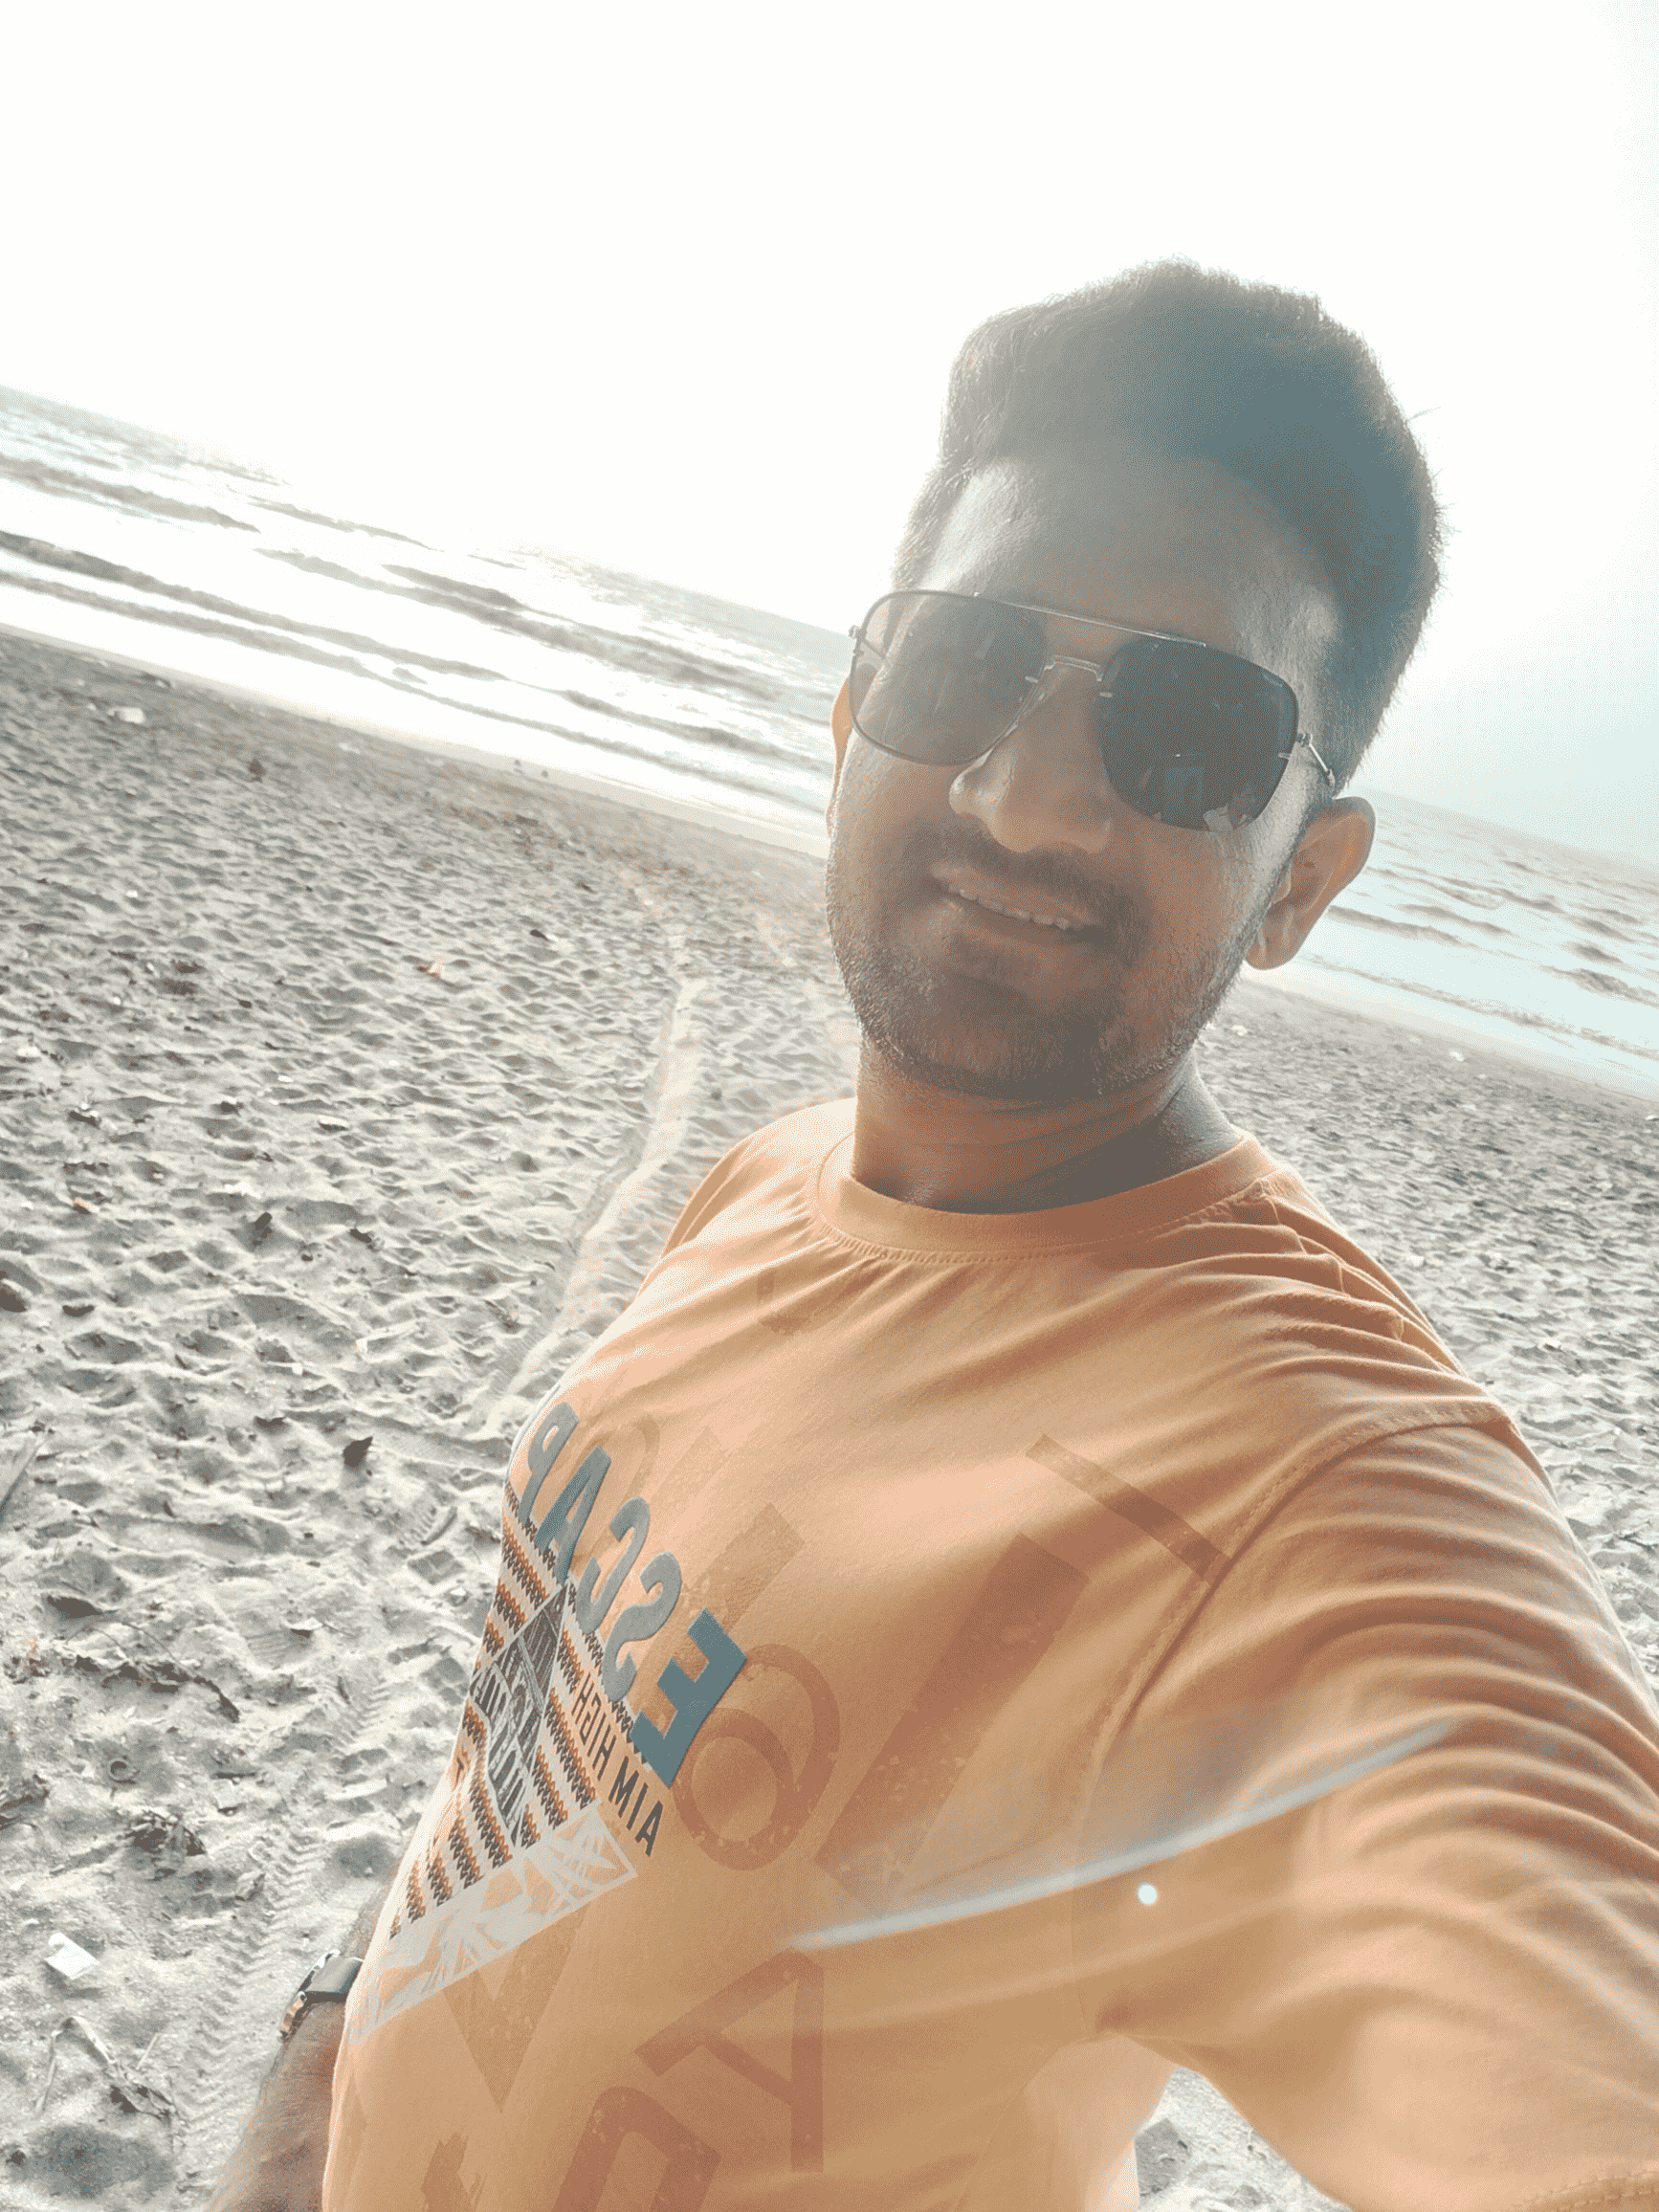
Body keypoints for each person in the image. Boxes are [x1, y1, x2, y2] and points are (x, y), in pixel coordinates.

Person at [210, 263, 1659, 2212]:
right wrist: (326, 2048)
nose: (1027, 797)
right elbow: (539, 1752)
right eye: (964, 664)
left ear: (1300, 881)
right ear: (850, 720)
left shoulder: (1310, 1500)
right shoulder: (772, 1183)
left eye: (1187, 729)